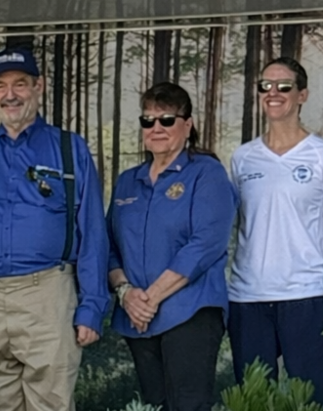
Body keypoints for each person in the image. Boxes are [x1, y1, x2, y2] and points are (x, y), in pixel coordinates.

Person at [0, 47, 110, 411]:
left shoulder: (69, 149)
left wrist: (92, 306)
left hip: (47, 295)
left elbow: (93, 233)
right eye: (0, 85)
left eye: (20, 84)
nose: (10, 94)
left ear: (40, 87)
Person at [107, 82, 237, 411]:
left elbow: (206, 243)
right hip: (138, 317)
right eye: (148, 121)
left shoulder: (206, 173)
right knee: (155, 405)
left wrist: (149, 299)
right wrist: (126, 294)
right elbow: (108, 246)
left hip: (189, 313)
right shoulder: (127, 181)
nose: (157, 128)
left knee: (188, 406)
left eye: (166, 119)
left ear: (187, 124)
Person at [228, 56, 323, 406]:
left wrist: (313, 273)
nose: (273, 93)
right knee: (253, 399)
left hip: (305, 295)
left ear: (302, 95)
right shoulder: (243, 158)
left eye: (284, 86)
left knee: (311, 398)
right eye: (265, 86)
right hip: (248, 298)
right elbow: (235, 224)